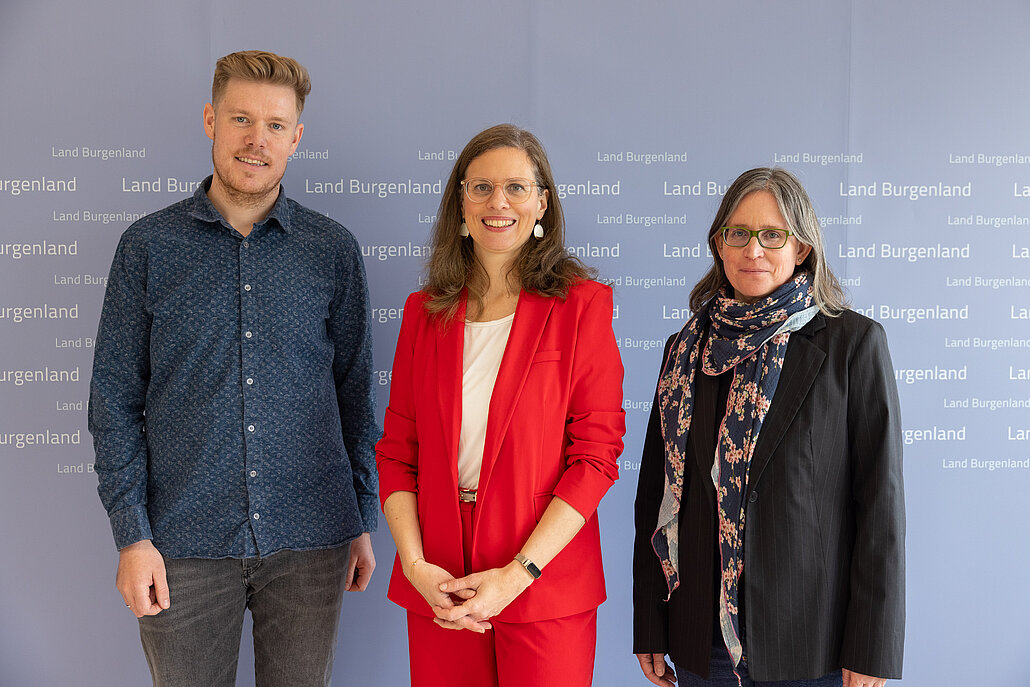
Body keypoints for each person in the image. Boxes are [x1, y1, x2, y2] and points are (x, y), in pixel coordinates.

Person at [88, 50, 378, 687]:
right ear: (210, 121)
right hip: (180, 544)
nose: (257, 139)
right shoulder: (148, 246)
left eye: (276, 125)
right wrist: (132, 536)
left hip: (312, 541)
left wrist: (361, 517)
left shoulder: (330, 249)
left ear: (296, 138)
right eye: (241, 119)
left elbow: (355, 395)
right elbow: (113, 400)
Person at [632, 168, 905, 687]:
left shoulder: (852, 344)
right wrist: (650, 624)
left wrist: (872, 646)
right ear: (719, 244)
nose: (753, 250)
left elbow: (879, 507)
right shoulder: (685, 350)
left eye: (772, 235)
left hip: (813, 644)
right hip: (701, 643)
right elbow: (655, 496)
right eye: (738, 233)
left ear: (801, 248)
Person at [376, 123, 626, 687]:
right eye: (482, 187)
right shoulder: (423, 313)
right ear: (460, 204)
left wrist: (517, 574)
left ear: (542, 204)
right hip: (440, 583)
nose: (498, 202)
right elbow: (396, 453)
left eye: (516, 187)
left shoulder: (581, 305)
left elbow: (595, 456)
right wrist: (415, 566)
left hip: (542, 578)